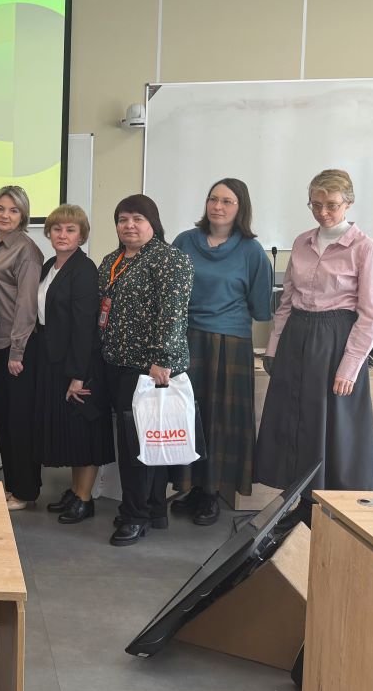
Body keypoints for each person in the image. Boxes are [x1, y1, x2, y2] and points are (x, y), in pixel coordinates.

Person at [255, 169, 373, 522]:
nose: (323, 212)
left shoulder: (366, 249)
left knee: (329, 425)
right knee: (292, 421)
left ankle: (326, 511)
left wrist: (350, 366)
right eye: (315, 204)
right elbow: (287, 301)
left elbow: (369, 316)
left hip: (335, 340)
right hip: (297, 334)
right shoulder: (301, 242)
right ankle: (299, 504)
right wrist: (273, 347)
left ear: (348, 203)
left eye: (331, 205)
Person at [170, 179, 272, 525]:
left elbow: (261, 307)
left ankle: (211, 493)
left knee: (220, 420)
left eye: (227, 201)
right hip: (186, 341)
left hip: (230, 345)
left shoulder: (252, 251)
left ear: (240, 207)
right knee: (189, 416)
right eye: (213, 199)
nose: (218, 206)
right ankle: (190, 486)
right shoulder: (185, 242)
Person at [97, 194, 193, 546]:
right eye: (123, 219)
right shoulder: (112, 260)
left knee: (139, 447)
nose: (129, 225)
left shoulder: (170, 259)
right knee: (138, 442)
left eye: (137, 219)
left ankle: (135, 516)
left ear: (153, 223)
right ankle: (152, 509)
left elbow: (172, 314)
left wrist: (161, 359)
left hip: (149, 368)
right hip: (116, 363)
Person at [35, 205, 114, 525]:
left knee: (84, 432)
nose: (62, 235)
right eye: (57, 229)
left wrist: (78, 375)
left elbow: (84, 326)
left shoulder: (84, 269)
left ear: (81, 235)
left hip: (80, 363)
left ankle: (84, 498)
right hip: (54, 360)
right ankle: (75, 491)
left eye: (70, 230)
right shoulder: (50, 265)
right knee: (71, 432)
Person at [0, 186, 44, 510]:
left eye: (13, 210)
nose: (5, 215)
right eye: (0, 208)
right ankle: (13, 485)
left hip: (17, 345)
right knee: (4, 421)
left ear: (23, 215)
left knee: (19, 423)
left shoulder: (26, 250)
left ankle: (25, 491)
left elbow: (26, 305)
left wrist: (17, 351)